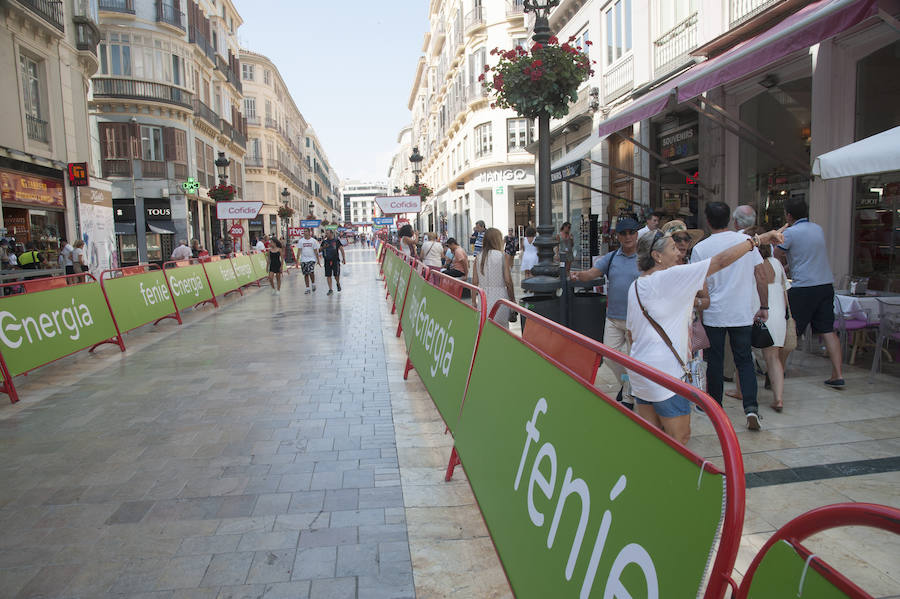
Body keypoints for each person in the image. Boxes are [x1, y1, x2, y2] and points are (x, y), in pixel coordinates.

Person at [626, 226, 785, 445]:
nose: (680, 252)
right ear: (657, 256)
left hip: (640, 370)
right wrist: (758, 240)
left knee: (653, 439)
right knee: (680, 438)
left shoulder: (637, 284)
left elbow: (631, 333)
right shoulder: (670, 277)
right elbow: (719, 262)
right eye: (673, 248)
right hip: (664, 373)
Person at [691, 202, 770, 431]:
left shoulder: (701, 248)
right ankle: (751, 408)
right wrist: (764, 305)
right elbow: (761, 275)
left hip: (714, 311)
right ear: (730, 220)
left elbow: (697, 283)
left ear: (707, 220)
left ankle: (717, 409)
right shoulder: (746, 245)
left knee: (714, 361)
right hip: (741, 311)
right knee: (744, 360)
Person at [774, 197, 844, 387]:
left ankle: (778, 371)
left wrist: (784, 266)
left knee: (791, 331)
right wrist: (791, 266)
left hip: (803, 287)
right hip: (825, 285)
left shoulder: (790, 233)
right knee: (828, 330)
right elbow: (807, 256)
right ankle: (837, 374)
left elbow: (776, 254)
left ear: (788, 215)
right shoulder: (817, 229)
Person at [571, 217, 641, 409]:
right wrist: (579, 275)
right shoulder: (611, 258)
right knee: (610, 357)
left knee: (633, 361)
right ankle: (627, 384)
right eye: (623, 233)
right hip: (613, 317)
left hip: (636, 320)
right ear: (617, 236)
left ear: (636, 234)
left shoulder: (645, 258)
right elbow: (592, 273)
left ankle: (628, 398)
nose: (628, 237)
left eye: (631, 233)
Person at [745, 226, 794, 412]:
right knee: (774, 359)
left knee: (745, 356)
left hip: (756, 313)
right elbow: (785, 294)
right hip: (777, 314)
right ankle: (778, 398)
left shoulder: (751, 264)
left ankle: (743, 392)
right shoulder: (776, 263)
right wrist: (789, 316)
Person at [473, 228, 516, 328]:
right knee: (502, 330)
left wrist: (473, 301)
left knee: (485, 331)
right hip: (500, 300)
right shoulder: (502, 256)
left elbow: (475, 282)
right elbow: (508, 281)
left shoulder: (478, 257)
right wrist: (512, 299)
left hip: (483, 301)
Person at [320, 229, 346, 295]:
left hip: (335, 260)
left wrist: (343, 258)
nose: (326, 234)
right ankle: (330, 289)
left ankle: (338, 283)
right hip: (327, 260)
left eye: (328, 233)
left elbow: (341, 249)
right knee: (328, 275)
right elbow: (319, 250)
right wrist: (323, 247)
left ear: (331, 234)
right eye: (326, 233)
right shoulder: (324, 242)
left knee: (336, 274)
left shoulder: (336, 241)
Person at [297, 229, 320, 294]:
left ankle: (313, 283)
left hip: (311, 259)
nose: (305, 233)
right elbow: (299, 250)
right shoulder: (301, 241)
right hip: (303, 259)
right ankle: (307, 288)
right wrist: (297, 260)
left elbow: (315, 251)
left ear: (309, 232)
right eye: (304, 231)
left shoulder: (313, 241)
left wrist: (318, 260)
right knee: (306, 274)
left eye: (306, 231)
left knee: (311, 272)